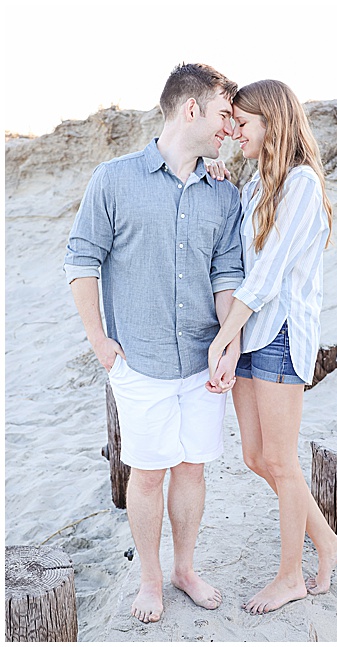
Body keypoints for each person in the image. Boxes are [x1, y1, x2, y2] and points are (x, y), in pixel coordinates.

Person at [64, 63, 244, 624]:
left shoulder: (224, 194)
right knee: (147, 474)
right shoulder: (113, 180)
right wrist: (99, 341)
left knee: (192, 468)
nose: (228, 130)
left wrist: (229, 343)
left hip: (202, 363)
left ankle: (184, 569)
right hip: (138, 363)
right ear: (191, 110)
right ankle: (149, 580)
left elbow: (226, 275)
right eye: (221, 116)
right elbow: (81, 261)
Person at [205, 79, 337, 615]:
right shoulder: (255, 186)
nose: (233, 132)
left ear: (272, 121)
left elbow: (266, 277)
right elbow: (238, 258)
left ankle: (292, 575)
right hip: (249, 333)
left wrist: (223, 336)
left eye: (242, 123)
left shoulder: (303, 184)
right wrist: (218, 179)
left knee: (282, 463)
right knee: (255, 456)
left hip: (281, 334)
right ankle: (329, 541)